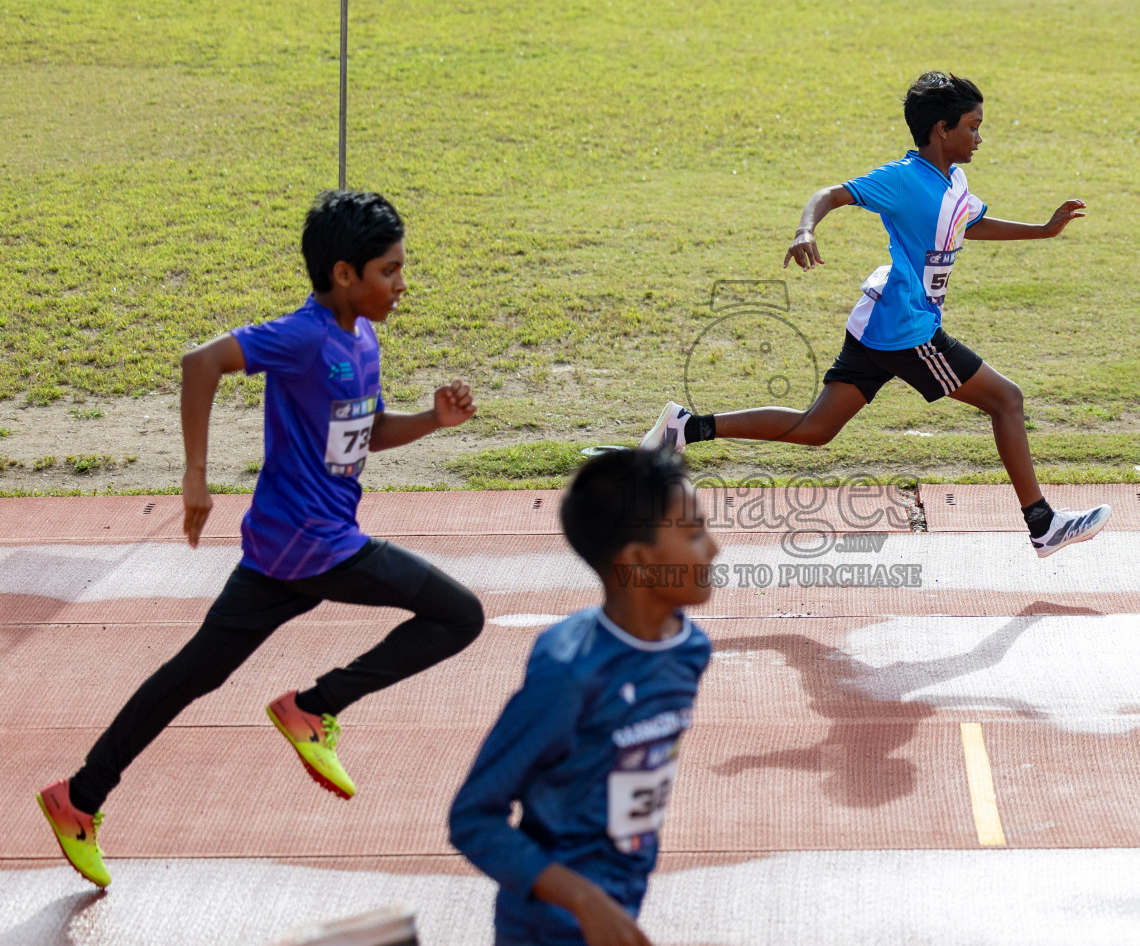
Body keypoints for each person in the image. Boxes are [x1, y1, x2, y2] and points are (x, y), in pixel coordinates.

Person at [37, 190, 486, 889]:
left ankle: (79, 798)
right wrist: (195, 477)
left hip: (284, 551)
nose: (402, 284)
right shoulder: (304, 337)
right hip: (317, 545)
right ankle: (315, 707)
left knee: (194, 674)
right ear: (344, 274)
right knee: (459, 614)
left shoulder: (362, 338)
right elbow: (200, 362)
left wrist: (431, 420)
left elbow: (362, 432)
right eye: (390, 271)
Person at [642, 71, 1110, 559]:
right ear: (941, 129)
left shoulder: (952, 181)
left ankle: (684, 428)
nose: (979, 137)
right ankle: (1043, 524)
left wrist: (1042, 230)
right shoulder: (903, 180)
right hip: (907, 330)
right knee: (1006, 400)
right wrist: (805, 230)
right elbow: (831, 194)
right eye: (972, 126)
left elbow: (969, 223)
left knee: (815, 429)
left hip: (878, 321)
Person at [450, 448, 715, 946]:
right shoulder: (571, 675)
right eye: (694, 533)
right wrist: (584, 900)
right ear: (638, 561)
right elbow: (473, 819)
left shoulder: (690, 648)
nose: (714, 548)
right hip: (548, 928)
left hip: (622, 902)